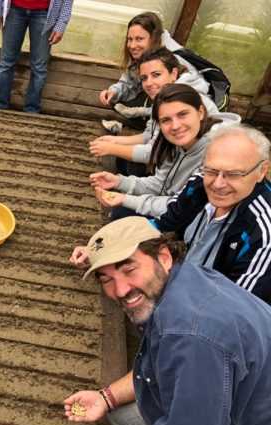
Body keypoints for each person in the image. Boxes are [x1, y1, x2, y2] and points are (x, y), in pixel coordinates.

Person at [64, 216, 271, 425]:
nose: (120, 290)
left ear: (163, 257)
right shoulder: (186, 280)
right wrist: (106, 397)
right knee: (121, 417)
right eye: (107, 279)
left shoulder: (191, 336)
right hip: (239, 409)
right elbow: (159, 368)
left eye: (129, 269)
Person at [153, 125, 271, 303]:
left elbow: (237, 306)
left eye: (233, 174)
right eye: (211, 171)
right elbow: (163, 224)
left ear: (261, 171)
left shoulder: (263, 231)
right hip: (178, 280)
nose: (217, 184)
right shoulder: (199, 181)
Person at [90, 83, 239, 219]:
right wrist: (119, 181)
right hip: (178, 205)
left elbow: (181, 207)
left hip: (201, 219)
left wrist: (125, 199)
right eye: (166, 120)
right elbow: (160, 184)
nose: (175, 126)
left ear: (200, 112)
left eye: (183, 114)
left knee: (122, 212)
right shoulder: (174, 143)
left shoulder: (217, 154)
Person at [91, 48, 221, 177]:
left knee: (133, 166)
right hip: (181, 159)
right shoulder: (164, 96)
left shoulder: (183, 97)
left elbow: (153, 154)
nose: (149, 83)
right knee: (125, 161)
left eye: (156, 75)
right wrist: (115, 140)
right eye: (144, 78)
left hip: (209, 166)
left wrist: (111, 148)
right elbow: (149, 135)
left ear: (173, 74)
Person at [98, 11, 208, 130]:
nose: (132, 45)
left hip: (189, 120)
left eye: (139, 39)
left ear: (154, 38)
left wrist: (139, 112)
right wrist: (114, 92)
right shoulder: (146, 56)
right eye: (130, 39)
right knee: (118, 102)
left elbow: (190, 102)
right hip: (160, 108)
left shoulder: (175, 60)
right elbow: (129, 82)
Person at [0, 0, 73, 113]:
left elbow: (68, 2)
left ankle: (32, 110)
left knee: (39, 67)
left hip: (45, 14)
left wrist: (61, 25)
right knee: (6, 62)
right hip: (14, 10)